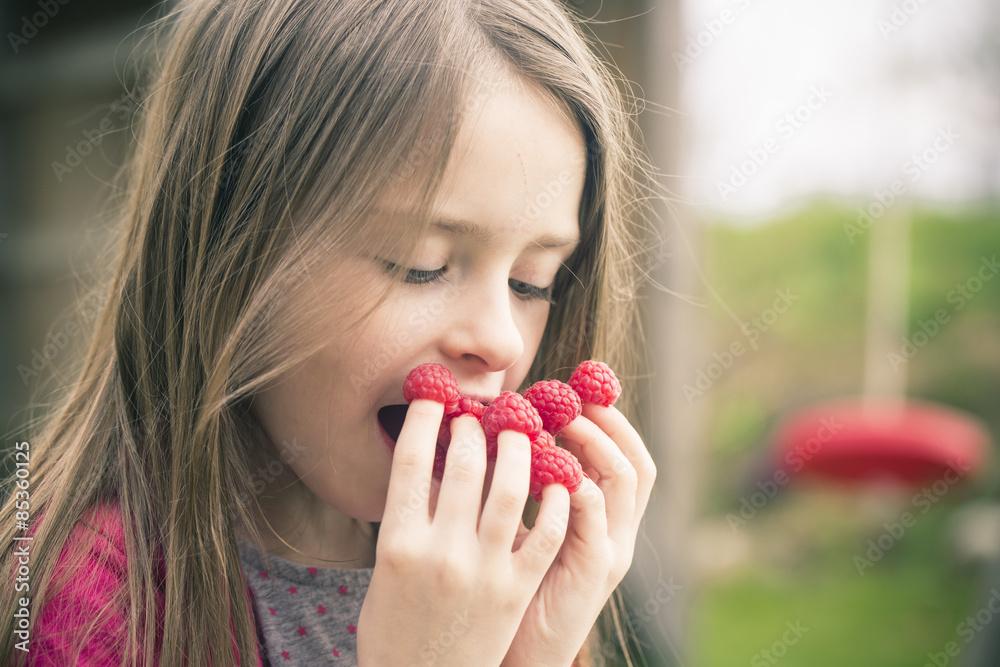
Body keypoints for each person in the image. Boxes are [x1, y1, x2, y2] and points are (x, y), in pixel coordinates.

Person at [0, 0, 660, 664]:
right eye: (420, 265)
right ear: (233, 247)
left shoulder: (502, 576)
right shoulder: (87, 605)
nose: (502, 340)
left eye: (532, 282)